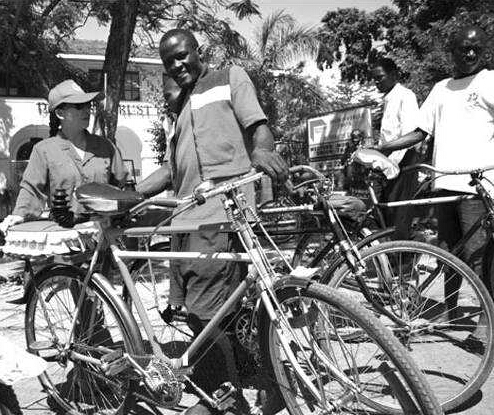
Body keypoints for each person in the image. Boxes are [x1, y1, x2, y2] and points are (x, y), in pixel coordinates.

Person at [136, 28, 288, 415]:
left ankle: (220, 393)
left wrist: (262, 151)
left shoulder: (229, 78)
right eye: (169, 61)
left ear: (198, 51)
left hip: (221, 213)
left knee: (204, 309)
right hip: (187, 220)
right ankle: (257, 378)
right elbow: (170, 172)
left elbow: (258, 126)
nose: (177, 65)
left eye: (182, 55)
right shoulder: (180, 111)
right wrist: (131, 194)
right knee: (220, 308)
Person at [374, 25, 493, 342]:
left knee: (478, 255)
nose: (470, 53)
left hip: (476, 187)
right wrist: (384, 147)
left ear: (485, 50)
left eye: (476, 47)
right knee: (449, 254)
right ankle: (452, 312)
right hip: (444, 184)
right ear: (452, 52)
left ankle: (486, 323)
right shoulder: (441, 89)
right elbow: (419, 132)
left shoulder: (489, 82)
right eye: (464, 48)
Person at [0, 79, 128, 302]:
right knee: (83, 300)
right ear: (60, 113)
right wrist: (18, 216)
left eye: (88, 105)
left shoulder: (105, 146)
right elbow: (32, 189)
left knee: (100, 302)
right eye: (78, 106)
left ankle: (93, 324)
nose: (87, 110)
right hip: (68, 239)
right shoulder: (44, 150)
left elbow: (122, 185)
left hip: (103, 237)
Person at [370, 57, 420, 239]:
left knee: (400, 215)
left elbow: (410, 136)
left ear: (393, 75)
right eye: (374, 79)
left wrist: (390, 165)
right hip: (390, 165)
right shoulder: (389, 99)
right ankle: (395, 252)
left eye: (380, 77)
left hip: (403, 163)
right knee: (387, 214)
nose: (376, 82)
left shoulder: (405, 96)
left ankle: (403, 253)